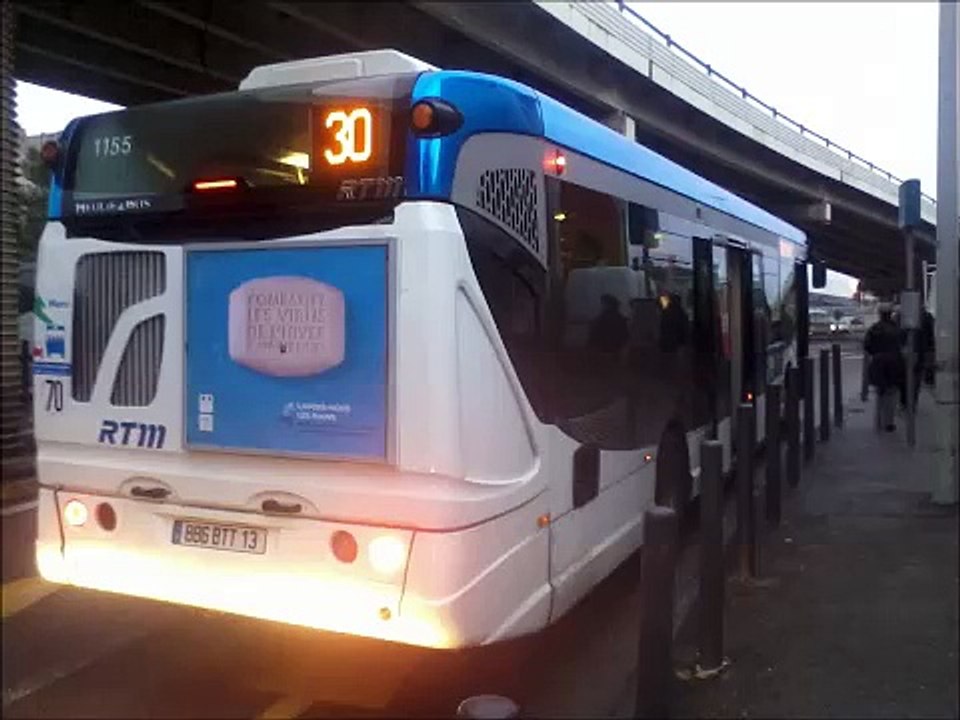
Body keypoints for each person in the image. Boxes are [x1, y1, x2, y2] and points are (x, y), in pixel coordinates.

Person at [863, 305, 905, 432]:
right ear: (890, 314)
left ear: (880, 314)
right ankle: (889, 422)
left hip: (878, 363)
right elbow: (903, 344)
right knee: (891, 393)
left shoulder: (874, 329)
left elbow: (867, 346)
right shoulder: (897, 329)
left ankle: (879, 420)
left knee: (880, 392)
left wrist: (875, 353)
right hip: (894, 363)